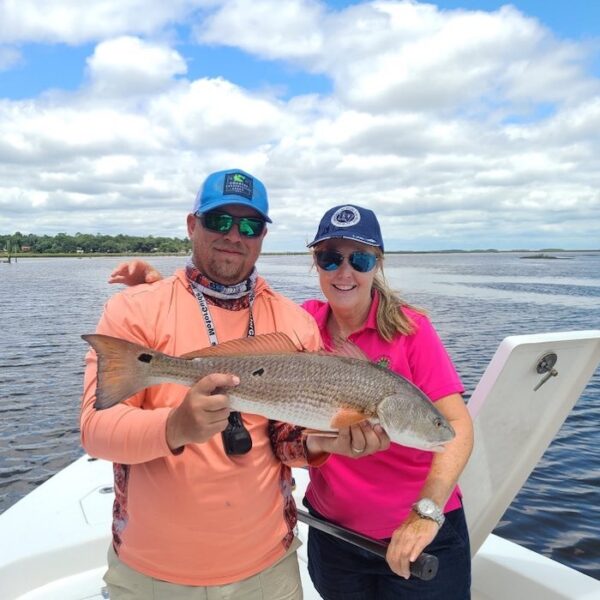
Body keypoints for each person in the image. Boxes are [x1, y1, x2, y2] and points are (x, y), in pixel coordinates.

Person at [110, 203, 474, 599]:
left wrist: (426, 513)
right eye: (330, 258)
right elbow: (237, 339)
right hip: (334, 533)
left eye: (361, 259)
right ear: (316, 263)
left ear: (378, 264)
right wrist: (161, 287)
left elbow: (457, 428)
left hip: (415, 533)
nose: (345, 272)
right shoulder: (302, 323)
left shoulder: (412, 329)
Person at [81, 170, 390, 600]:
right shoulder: (134, 309)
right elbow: (95, 431)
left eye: (249, 225)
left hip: (267, 571)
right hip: (151, 575)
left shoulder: (294, 322)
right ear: (192, 225)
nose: (233, 235)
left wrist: (326, 443)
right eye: (219, 220)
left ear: (262, 236)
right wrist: (175, 427)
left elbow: (284, 440)